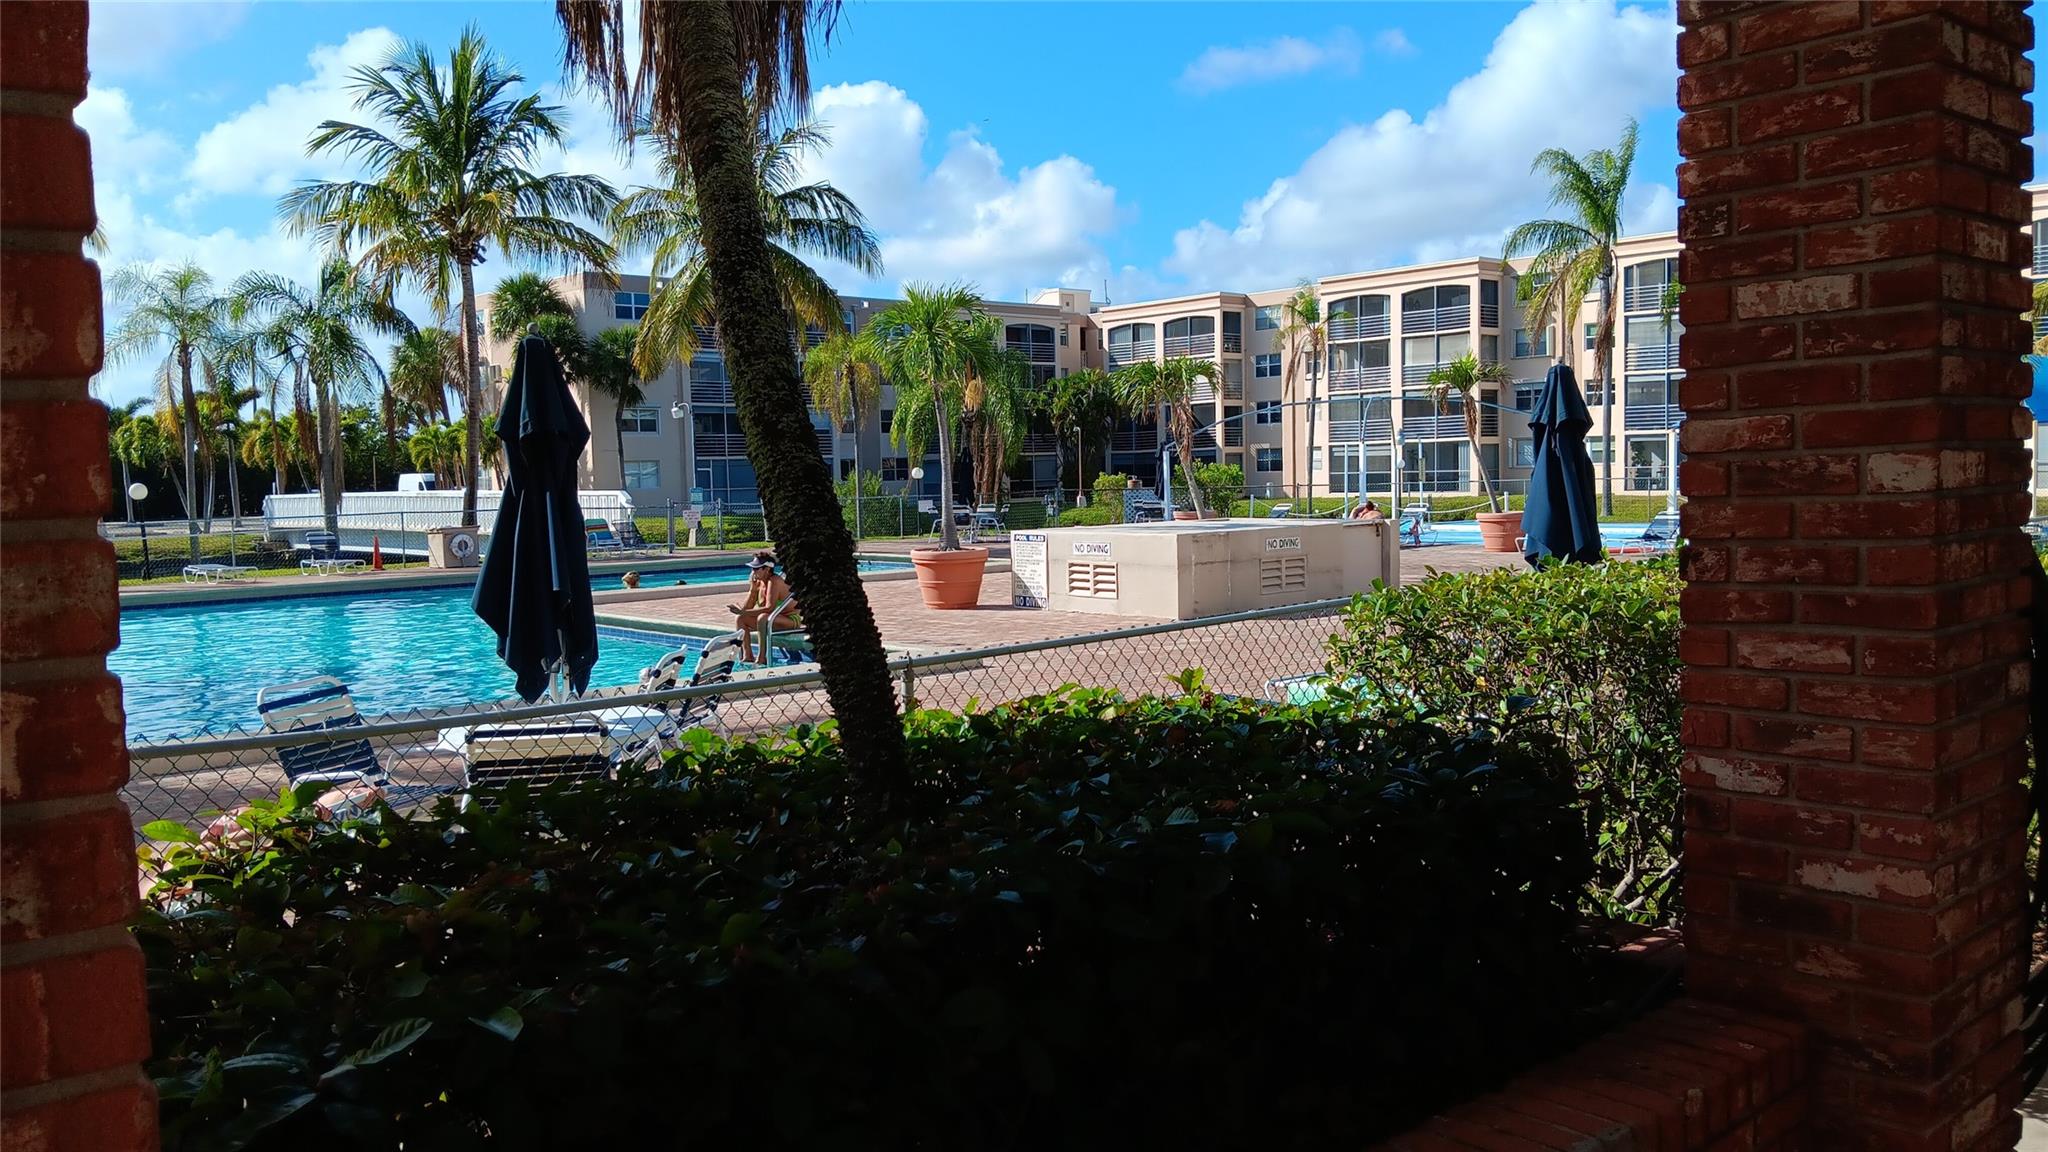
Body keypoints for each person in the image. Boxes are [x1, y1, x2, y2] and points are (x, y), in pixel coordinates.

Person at [731, 551, 800, 663]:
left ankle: (762, 657)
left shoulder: (774, 581)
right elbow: (746, 609)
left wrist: (743, 612)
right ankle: (748, 656)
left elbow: (769, 608)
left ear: (767, 569)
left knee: (762, 617)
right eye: (752, 568)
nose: (753, 572)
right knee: (740, 618)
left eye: (756, 569)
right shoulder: (758, 582)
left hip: (789, 620)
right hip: (771, 620)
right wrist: (753, 590)